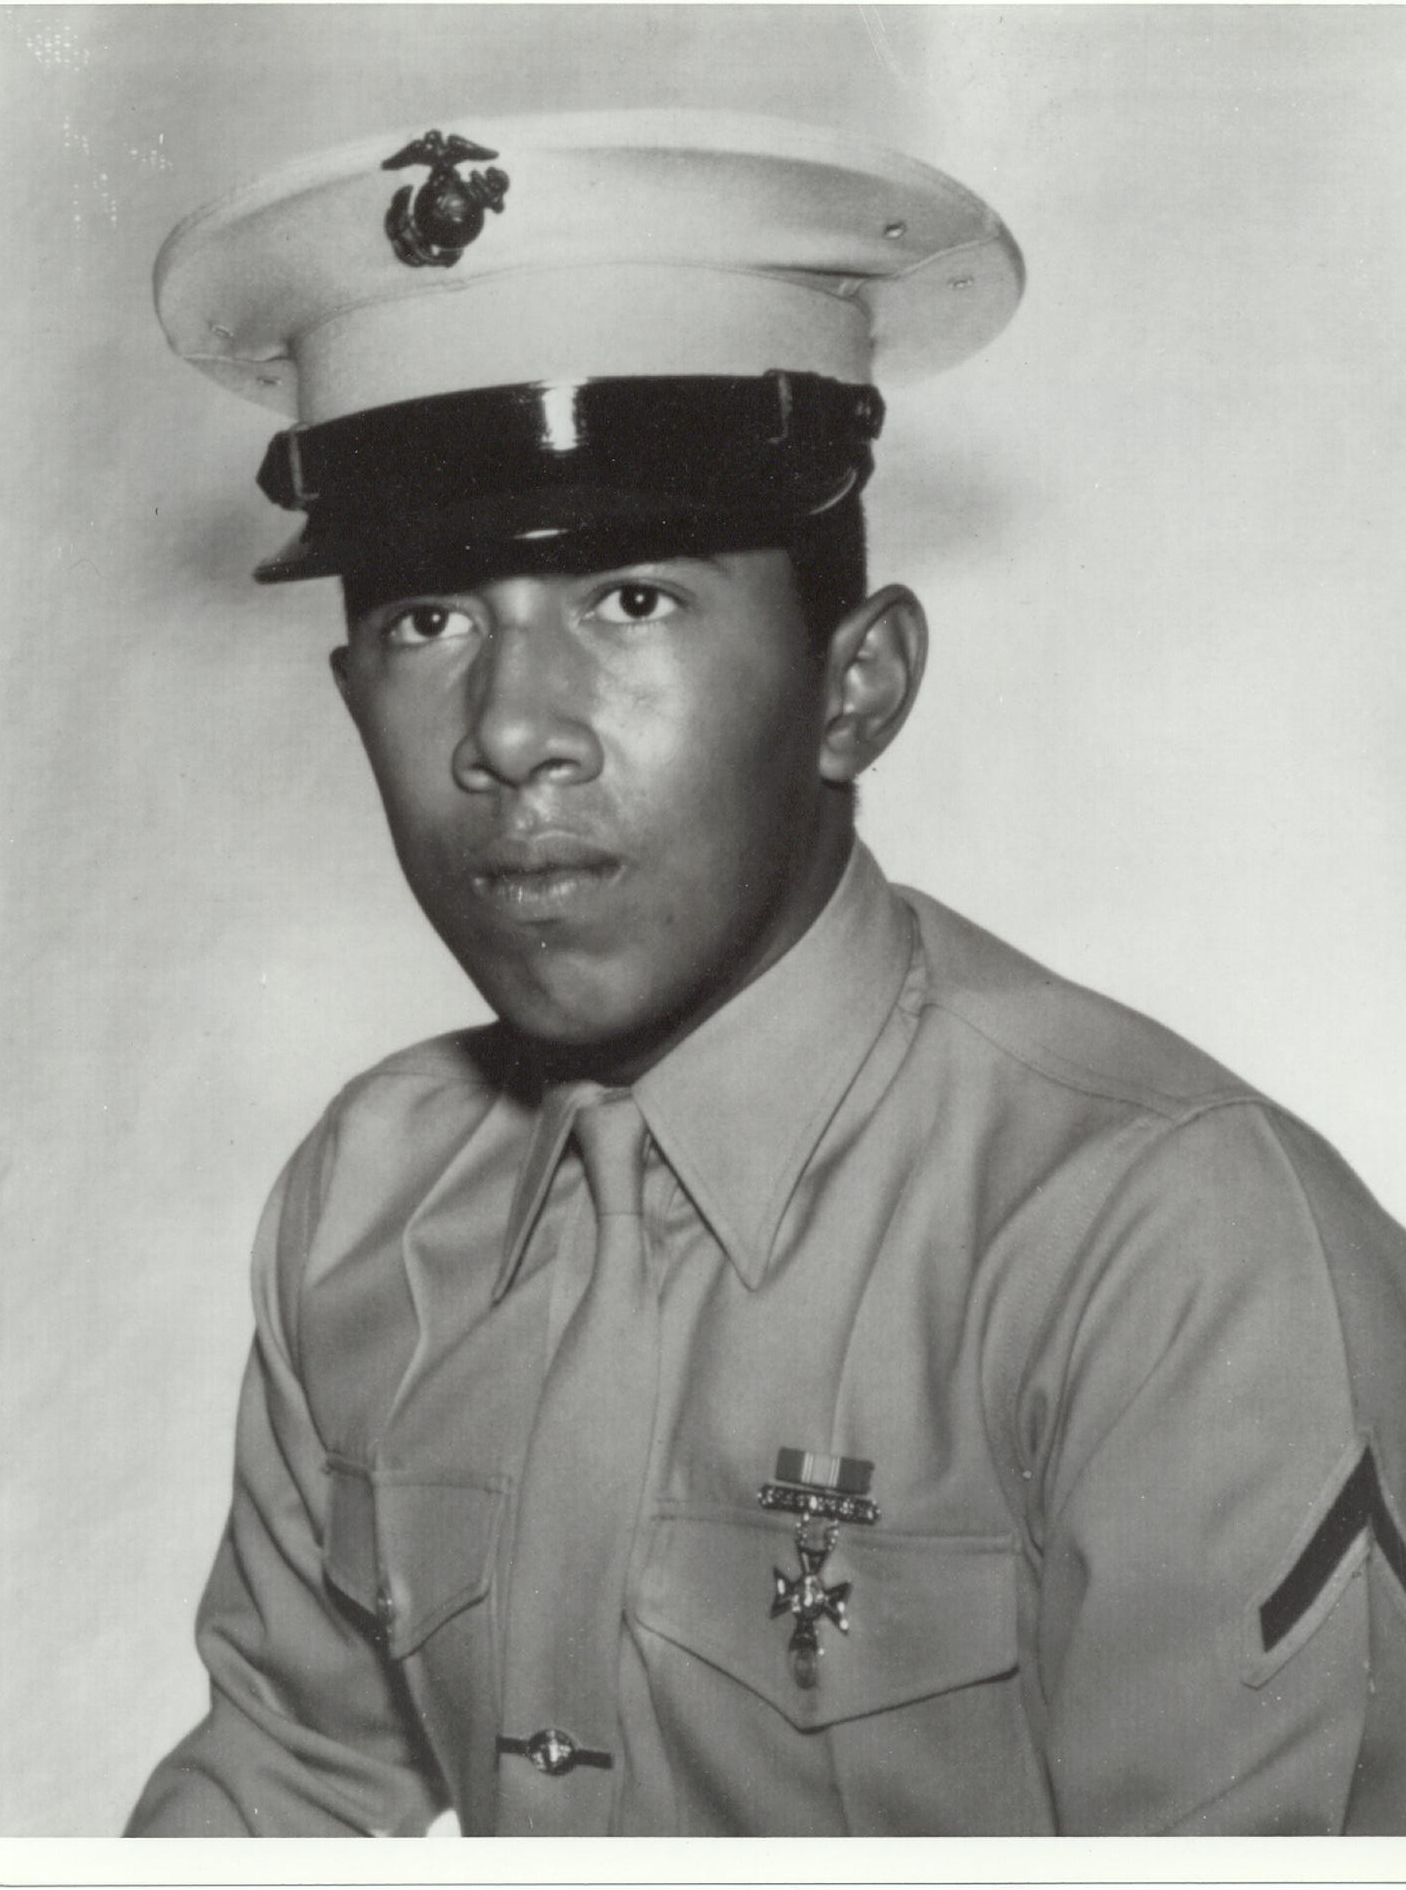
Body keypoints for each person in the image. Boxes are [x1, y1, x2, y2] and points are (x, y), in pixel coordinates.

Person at [128, 111, 1406, 1838]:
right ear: (352, 698)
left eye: (633, 601)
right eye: (429, 620)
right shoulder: (372, 1196)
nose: (510, 734)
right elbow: (283, 1771)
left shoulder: (1158, 1248)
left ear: (856, 689)